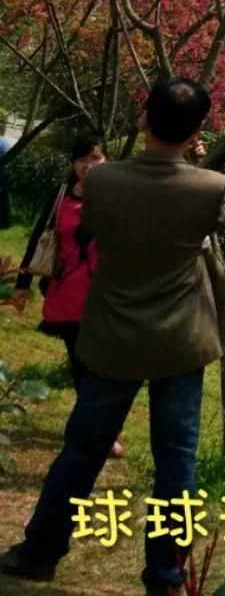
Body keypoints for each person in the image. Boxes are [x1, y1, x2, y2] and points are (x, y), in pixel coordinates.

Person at [1, 76, 225, 590]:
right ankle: (167, 572)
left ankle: (40, 552)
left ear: (144, 118)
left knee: (81, 452)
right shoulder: (212, 187)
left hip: (111, 334)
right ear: (197, 132)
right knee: (176, 463)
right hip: (181, 337)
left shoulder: (103, 182)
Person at [11, 133, 125, 460]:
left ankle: (103, 429)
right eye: (82, 159)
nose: (88, 165)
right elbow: (39, 237)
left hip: (105, 295)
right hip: (67, 294)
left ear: (107, 162)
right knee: (80, 364)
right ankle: (97, 429)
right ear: (73, 163)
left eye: (96, 158)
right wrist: (23, 283)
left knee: (103, 365)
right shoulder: (61, 194)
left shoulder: (118, 196)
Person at [0, 129, 10, 229]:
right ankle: (5, 221)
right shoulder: (6, 141)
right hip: (5, 171)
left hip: (1, 171)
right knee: (4, 197)